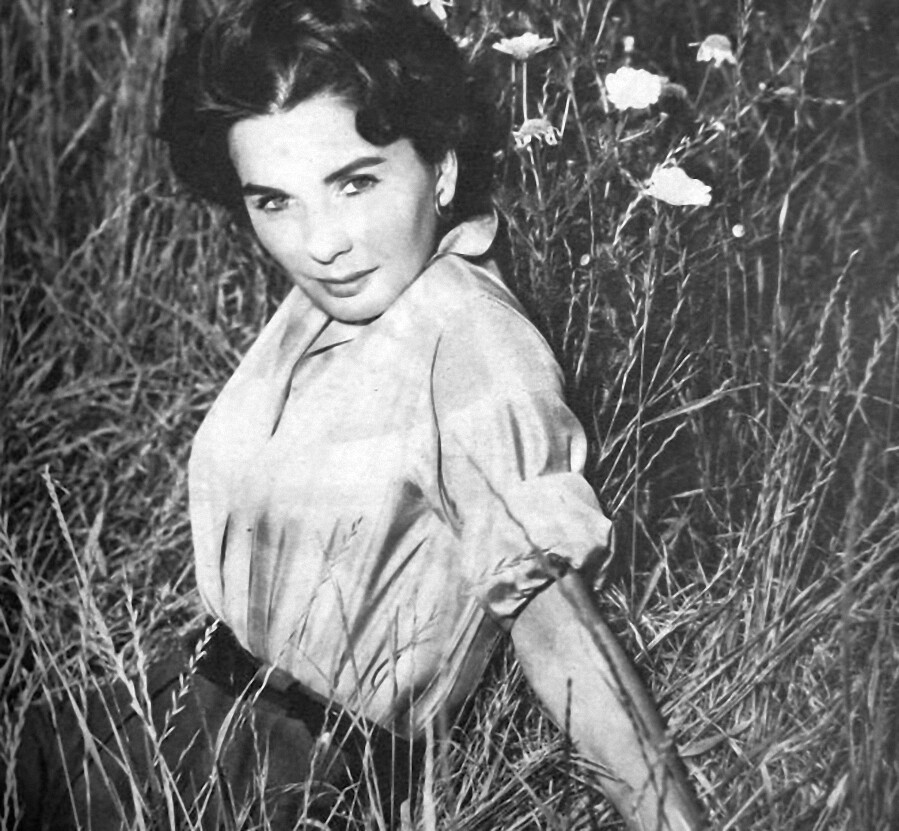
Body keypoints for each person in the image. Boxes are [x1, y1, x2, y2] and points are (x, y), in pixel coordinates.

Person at [5, 1, 705, 829]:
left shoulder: (473, 344)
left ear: (440, 169)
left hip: (286, 779)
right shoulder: (353, 291)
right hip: (182, 710)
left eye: (356, 183)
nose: (319, 242)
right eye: (274, 202)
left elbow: (557, 628)